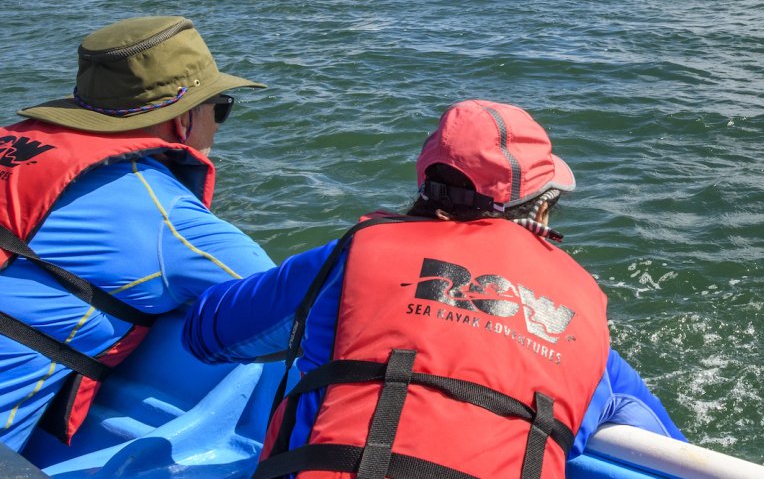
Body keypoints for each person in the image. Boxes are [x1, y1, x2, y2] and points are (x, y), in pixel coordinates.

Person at [183, 99, 685, 479]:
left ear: (426, 183)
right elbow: (645, 425)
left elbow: (207, 334)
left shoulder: (353, 258)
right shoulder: (583, 310)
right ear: (540, 208)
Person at [0, 15, 275, 452]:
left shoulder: (11, 148)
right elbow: (287, 304)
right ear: (183, 120)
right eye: (220, 106)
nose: (219, 124)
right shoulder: (166, 218)